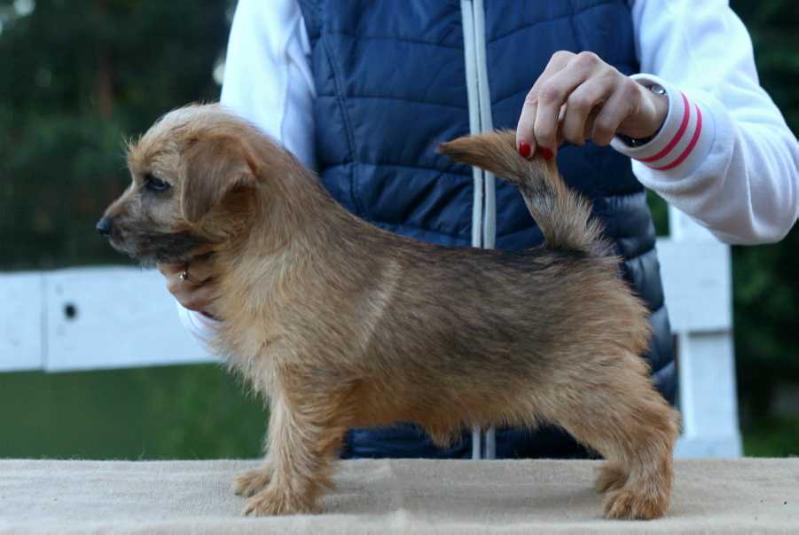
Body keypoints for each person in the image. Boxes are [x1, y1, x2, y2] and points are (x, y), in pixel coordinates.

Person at [159, 0, 799, 459]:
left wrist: (652, 114)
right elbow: (248, 230)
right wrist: (207, 290)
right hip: (383, 464)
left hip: (585, 452)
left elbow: (775, 197)